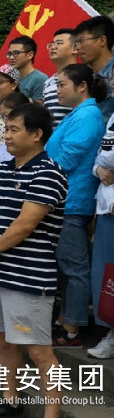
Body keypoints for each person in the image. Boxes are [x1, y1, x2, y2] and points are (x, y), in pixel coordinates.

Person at [0, 103, 68, 418]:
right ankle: (10, 402)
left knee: (40, 352)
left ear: (37, 134)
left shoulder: (49, 172)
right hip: (0, 273)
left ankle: (52, 414)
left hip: (29, 278)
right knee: (5, 344)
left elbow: (27, 223)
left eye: (14, 130)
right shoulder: (2, 168)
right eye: (6, 129)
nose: (8, 137)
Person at [47, 64, 107, 348]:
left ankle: (71, 328)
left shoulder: (87, 115)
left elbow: (67, 159)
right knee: (67, 266)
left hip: (72, 201)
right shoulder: (78, 113)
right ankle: (65, 321)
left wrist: (38, 174)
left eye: (62, 84)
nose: (57, 90)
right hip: (63, 199)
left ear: (82, 86)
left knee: (74, 268)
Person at [89, 108, 114, 359]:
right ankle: (111, 334)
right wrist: (99, 170)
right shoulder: (113, 118)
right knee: (107, 276)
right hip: (107, 207)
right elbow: (100, 158)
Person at [74, 15, 114, 117]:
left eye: (82, 40)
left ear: (102, 41)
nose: (78, 48)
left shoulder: (112, 73)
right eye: (76, 43)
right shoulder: (87, 80)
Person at [42, 28, 78, 128]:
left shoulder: (83, 77)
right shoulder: (47, 83)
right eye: (51, 44)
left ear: (75, 48)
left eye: (59, 43)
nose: (53, 47)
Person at [6, 35, 48, 103]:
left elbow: (38, 107)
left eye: (16, 53)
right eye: (9, 54)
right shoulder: (7, 77)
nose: (11, 57)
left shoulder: (39, 79)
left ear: (30, 55)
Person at [0, 92, 31, 166]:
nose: (5, 120)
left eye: (7, 115)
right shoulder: (6, 142)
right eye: (2, 116)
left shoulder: (27, 143)